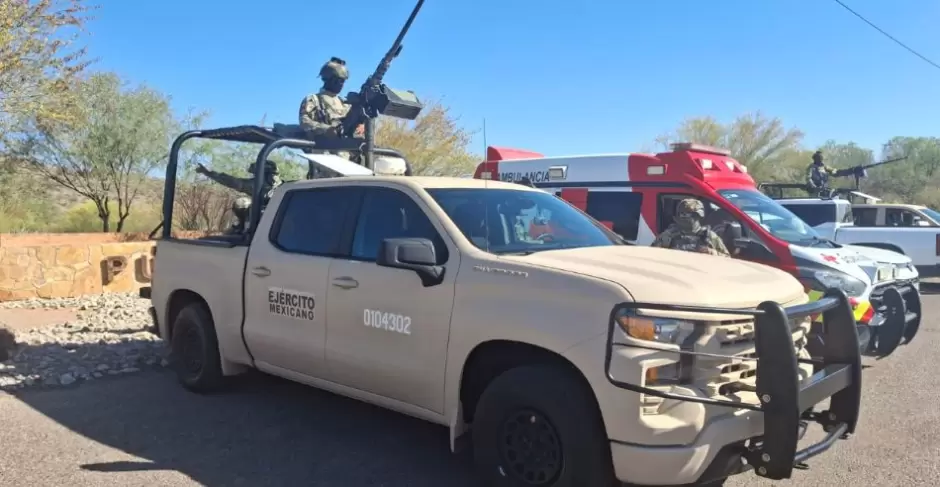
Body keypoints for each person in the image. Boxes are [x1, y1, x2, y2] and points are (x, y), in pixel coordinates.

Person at [298, 56, 365, 161]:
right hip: (325, 155)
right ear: (329, 80)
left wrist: (361, 125)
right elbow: (304, 122)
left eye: (343, 81)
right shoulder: (314, 100)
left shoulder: (345, 104)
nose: (342, 85)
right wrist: (326, 129)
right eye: (339, 81)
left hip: (349, 154)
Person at [195, 160, 282, 233]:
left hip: (263, 227)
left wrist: (207, 172)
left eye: (256, 175)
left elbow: (232, 182)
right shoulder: (285, 187)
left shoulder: (258, 186)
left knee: (241, 203)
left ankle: (243, 231)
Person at [651, 198, 730, 256]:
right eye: (682, 214)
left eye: (688, 215)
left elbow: (728, 259)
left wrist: (713, 253)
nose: (685, 218)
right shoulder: (669, 236)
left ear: (698, 216)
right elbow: (651, 256)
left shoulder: (709, 236)